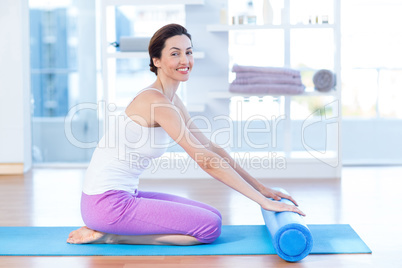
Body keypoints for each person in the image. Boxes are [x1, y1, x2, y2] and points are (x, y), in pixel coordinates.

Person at [67, 23, 305, 246]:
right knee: (209, 227)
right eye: (175, 54)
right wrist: (261, 202)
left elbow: (210, 148)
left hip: (121, 195)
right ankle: (113, 236)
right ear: (156, 60)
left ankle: (112, 230)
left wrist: (261, 188)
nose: (185, 60)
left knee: (212, 214)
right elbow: (206, 161)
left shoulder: (170, 99)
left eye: (188, 52)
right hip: (107, 205)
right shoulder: (156, 101)